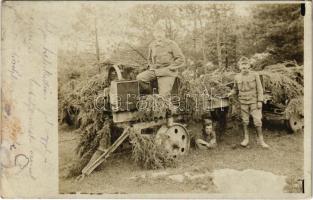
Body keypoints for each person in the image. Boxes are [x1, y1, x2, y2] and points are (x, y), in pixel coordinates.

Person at [228, 57, 269, 148]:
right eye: (242, 66)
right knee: (245, 121)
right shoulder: (237, 77)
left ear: (249, 66)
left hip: (254, 102)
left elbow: (260, 89)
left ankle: (261, 141)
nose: (244, 68)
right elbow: (235, 89)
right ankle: (246, 139)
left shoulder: (255, 75)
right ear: (239, 67)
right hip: (243, 102)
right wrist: (231, 93)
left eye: (246, 65)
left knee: (257, 121)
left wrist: (260, 101)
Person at [136, 21, 185, 96]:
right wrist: (152, 67)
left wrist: (171, 67)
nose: (158, 35)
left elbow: (181, 59)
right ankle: (152, 95)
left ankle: (161, 100)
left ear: (164, 33)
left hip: (167, 73)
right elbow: (149, 59)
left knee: (163, 97)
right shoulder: (152, 45)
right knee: (140, 78)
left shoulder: (171, 44)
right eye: (156, 32)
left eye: (160, 32)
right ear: (154, 34)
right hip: (155, 71)